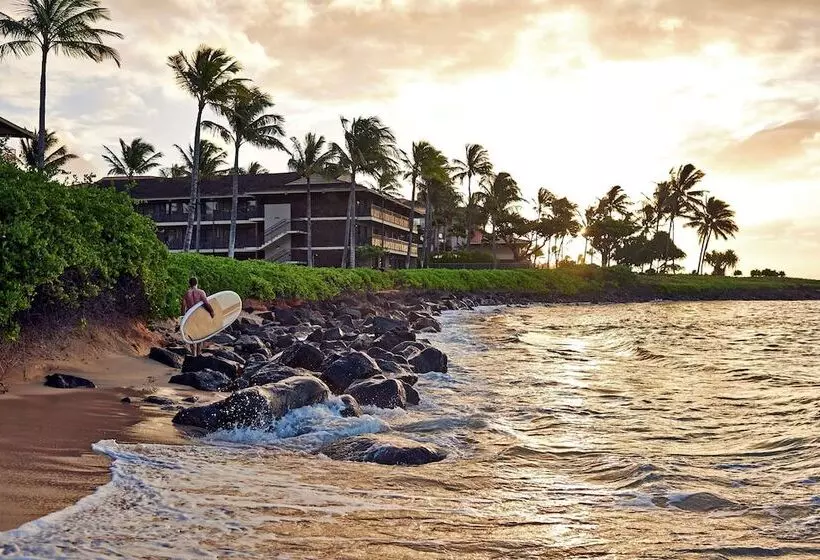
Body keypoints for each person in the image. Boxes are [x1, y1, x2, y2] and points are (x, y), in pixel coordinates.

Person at [181, 277, 214, 356]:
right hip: (199, 316)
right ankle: (198, 354)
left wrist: (183, 317)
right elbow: (206, 303)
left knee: (191, 334)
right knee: (199, 334)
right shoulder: (201, 292)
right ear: (197, 283)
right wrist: (211, 311)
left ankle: (193, 354)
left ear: (189, 284)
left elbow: (183, 306)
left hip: (190, 316)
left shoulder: (186, 293)